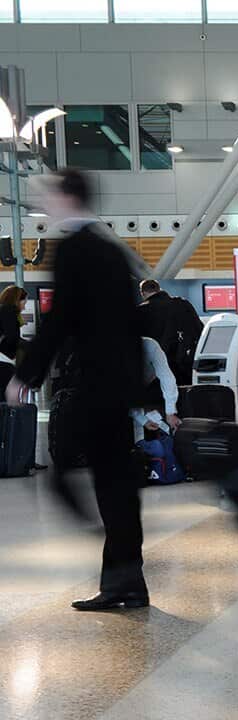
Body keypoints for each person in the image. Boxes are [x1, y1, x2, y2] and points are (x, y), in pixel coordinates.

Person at [6, 169, 146, 611]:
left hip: (96, 384)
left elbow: (61, 319)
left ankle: (116, 564)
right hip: (118, 386)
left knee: (68, 469)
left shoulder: (73, 249)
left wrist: (26, 376)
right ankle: (126, 579)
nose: (43, 204)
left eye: (48, 196)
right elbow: (132, 325)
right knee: (117, 484)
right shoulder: (110, 248)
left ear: (68, 197)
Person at [137, 278, 204, 385]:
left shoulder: (141, 311)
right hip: (185, 365)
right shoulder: (183, 304)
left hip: (158, 369)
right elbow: (200, 330)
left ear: (142, 293)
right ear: (159, 289)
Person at [131, 336, 181, 443]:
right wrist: (141, 419)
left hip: (147, 388)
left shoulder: (149, 345)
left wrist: (170, 412)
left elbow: (166, 378)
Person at [0, 285, 28, 388]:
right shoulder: (9, 311)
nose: (24, 307)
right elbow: (12, 338)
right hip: (3, 361)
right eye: (24, 303)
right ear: (17, 300)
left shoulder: (3, 310)